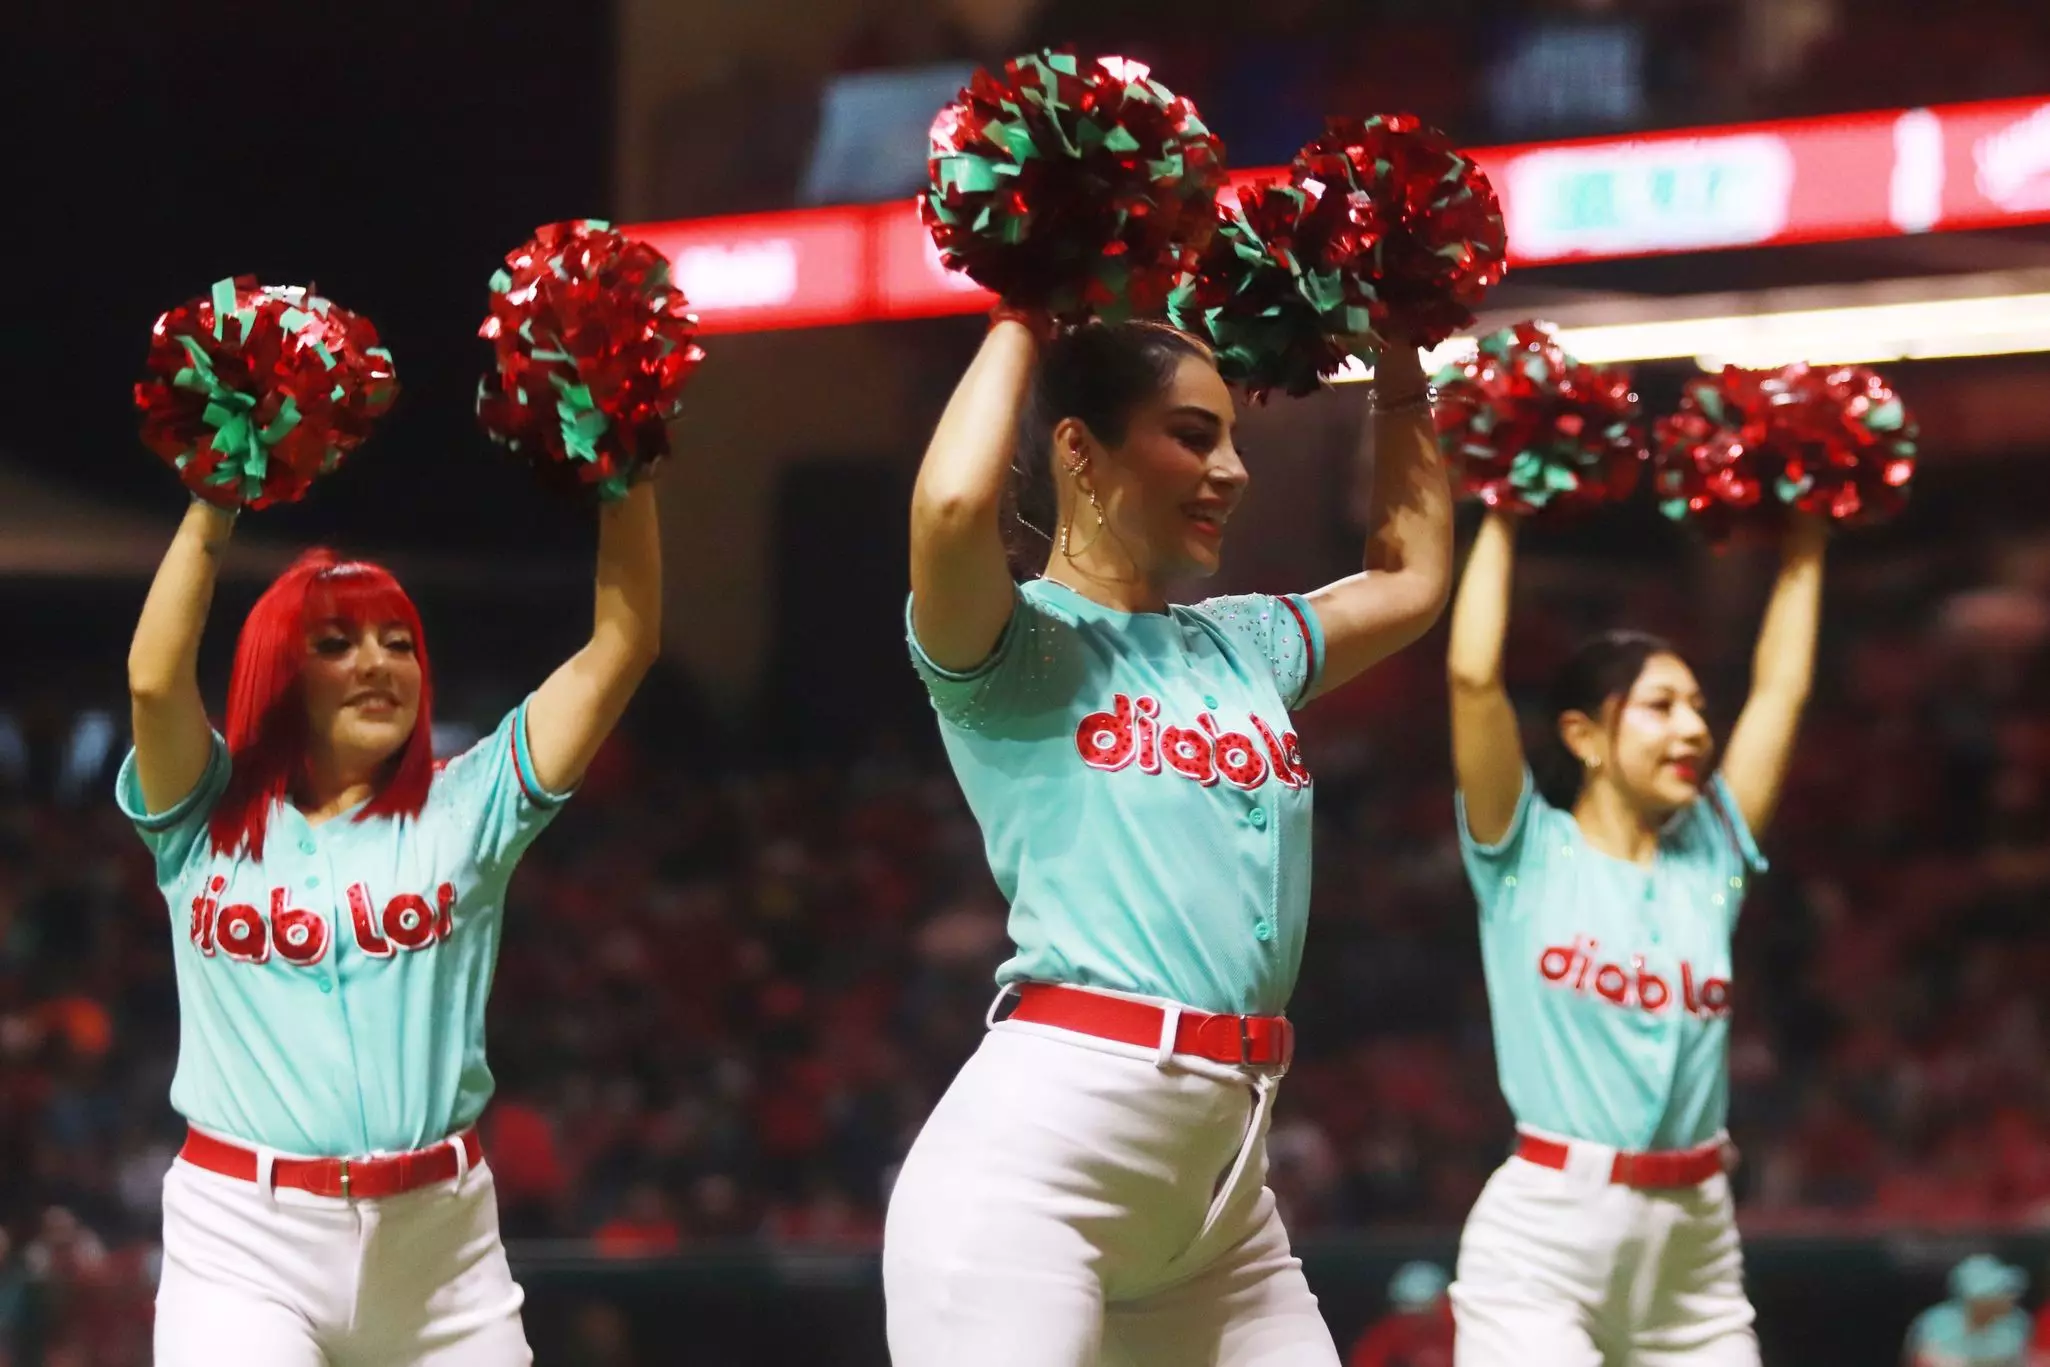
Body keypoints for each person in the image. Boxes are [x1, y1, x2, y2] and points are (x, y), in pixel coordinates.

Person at [883, 306, 1454, 1366]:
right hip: (1036, 1176)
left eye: (1231, 437)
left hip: (1222, 1202)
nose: (1232, 469)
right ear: (1076, 450)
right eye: (1192, 435)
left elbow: (1411, 579)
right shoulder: (1013, 643)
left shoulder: (1243, 642)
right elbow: (955, 502)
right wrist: (1023, 301)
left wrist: (1397, 344)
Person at [122, 479, 662, 1365]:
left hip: (440, 1251)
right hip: (243, 1239)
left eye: (399, 642)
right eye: (336, 643)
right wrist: (213, 502)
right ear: (279, 671)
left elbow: (624, 643)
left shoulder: (469, 805)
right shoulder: (202, 813)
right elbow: (152, 679)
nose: (379, 662)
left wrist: (626, 473)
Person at [1444, 507, 1827, 1366]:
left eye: (1696, 706)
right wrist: (1505, 506)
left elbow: (1780, 691)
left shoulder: (1711, 857)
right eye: (1659, 706)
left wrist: (1807, 534)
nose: (1693, 728)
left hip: (1693, 1245)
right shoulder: (1525, 851)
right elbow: (1473, 677)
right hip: (1548, 1235)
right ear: (1581, 734)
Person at [1906, 1255, 2030, 1367]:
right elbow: (1926, 1362)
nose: (2009, 1298)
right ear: (1977, 1299)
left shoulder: (2016, 1322)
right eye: (1999, 1293)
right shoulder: (1937, 1323)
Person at [1348, 1261, 1456, 1367]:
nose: (1415, 1316)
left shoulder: (1458, 1326)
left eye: (1424, 1307)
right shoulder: (1390, 1329)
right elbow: (1366, 1360)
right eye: (1408, 1307)